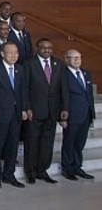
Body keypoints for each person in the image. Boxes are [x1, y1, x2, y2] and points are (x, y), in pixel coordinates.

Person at [23, 38, 68, 184]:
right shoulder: (29, 64)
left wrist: (65, 108)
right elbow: (24, 89)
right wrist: (27, 107)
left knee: (47, 143)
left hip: (52, 111)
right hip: (34, 111)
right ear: (37, 48)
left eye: (49, 47)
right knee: (32, 142)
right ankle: (30, 172)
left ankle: (42, 171)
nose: (47, 50)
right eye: (43, 47)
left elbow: (64, 89)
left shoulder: (59, 64)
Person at [0, 42, 26, 189]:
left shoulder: (20, 69)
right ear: (2, 54)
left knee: (12, 145)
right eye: (10, 53)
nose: (14, 55)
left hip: (15, 114)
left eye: (16, 52)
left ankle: (9, 174)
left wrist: (24, 109)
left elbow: (23, 91)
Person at [60, 49, 95, 180]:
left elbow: (89, 95)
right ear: (66, 59)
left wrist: (91, 114)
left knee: (80, 143)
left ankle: (77, 166)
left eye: (78, 57)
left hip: (85, 115)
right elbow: (61, 96)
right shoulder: (63, 74)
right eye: (73, 58)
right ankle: (67, 168)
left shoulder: (86, 73)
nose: (76, 60)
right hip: (71, 115)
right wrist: (62, 116)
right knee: (69, 142)